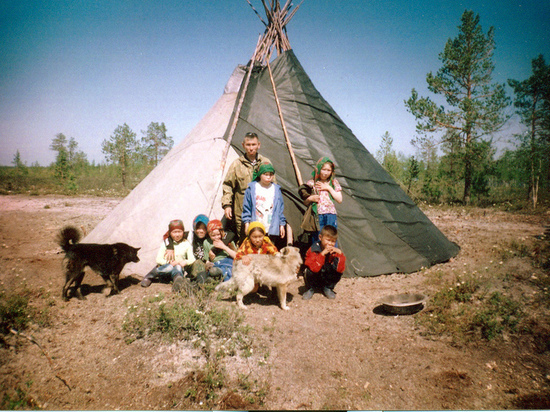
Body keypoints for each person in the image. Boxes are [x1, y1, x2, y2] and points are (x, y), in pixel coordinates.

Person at [221, 132, 273, 243]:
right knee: (245, 240)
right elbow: (228, 185)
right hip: (242, 210)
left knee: (263, 239)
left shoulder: (265, 163)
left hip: (263, 209)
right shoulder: (237, 164)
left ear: (259, 145)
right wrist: (227, 205)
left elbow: (274, 187)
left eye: (253, 144)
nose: (251, 148)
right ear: (243, 145)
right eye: (248, 145)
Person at [242, 163, 290, 249]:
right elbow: (247, 207)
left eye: (271, 175)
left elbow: (280, 209)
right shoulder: (252, 188)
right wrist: (246, 223)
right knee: (255, 249)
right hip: (256, 224)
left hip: (271, 226)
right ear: (260, 174)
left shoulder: (276, 189)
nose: (268, 177)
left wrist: (281, 225)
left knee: (269, 249)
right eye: (266, 174)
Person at [140, 219, 195, 293]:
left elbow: (192, 259)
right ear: (170, 233)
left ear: (183, 232)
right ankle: (149, 277)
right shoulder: (166, 244)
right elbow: (158, 259)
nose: (177, 235)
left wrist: (185, 262)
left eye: (179, 232)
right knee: (169, 267)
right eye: (174, 232)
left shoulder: (186, 244)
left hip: (178, 270)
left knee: (178, 267)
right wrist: (169, 262)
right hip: (165, 269)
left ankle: (177, 282)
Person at [303, 157, 343, 244]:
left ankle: (331, 257)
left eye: (328, 170)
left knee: (331, 238)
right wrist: (311, 198)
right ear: (319, 169)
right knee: (318, 238)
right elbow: (305, 202)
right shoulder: (311, 183)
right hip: (317, 215)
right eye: (323, 169)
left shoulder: (333, 183)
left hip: (330, 215)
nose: (325, 173)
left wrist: (328, 188)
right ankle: (318, 257)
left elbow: (339, 199)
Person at [302, 225, 346, 300]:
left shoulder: (334, 251)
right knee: (308, 271)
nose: (330, 243)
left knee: (337, 270)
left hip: (325, 276)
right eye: (328, 240)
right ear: (320, 238)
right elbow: (313, 268)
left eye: (333, 241)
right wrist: (322, 254)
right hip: (315, 275)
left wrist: (340, 254)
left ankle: (327, 288)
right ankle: (310, 289)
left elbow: (340, 269)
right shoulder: (313, 249)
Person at [164, 214, 209, 282]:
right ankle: (200, 283)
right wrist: (170, 247)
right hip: (192, 265)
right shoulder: (190, 235)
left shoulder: (211, 236)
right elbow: (168, 235)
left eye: (203, 228)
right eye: (198, 228)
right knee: (198, 263)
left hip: (206, 265)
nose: (200, 231)